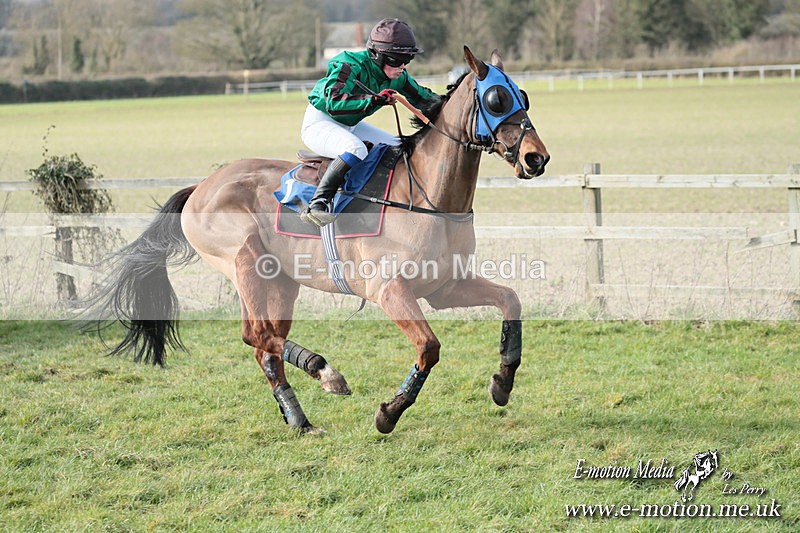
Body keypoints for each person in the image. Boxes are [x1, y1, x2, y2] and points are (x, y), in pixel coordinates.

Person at [300, 18, 440, 227]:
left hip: (351, 126)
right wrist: (373, 100)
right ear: (377, 55)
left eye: (407, 60)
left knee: (398, 148)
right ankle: (318, 203)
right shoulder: (348, 64)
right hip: (320, 123)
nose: (402, 67)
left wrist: (453, 103)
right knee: (355, 148)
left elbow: (424, 98)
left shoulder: (397, 76)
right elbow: (334, 102)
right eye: (397, 60)